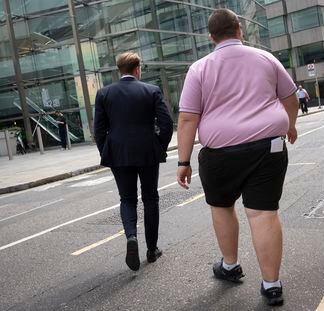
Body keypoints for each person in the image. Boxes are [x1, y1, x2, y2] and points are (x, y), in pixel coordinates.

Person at [176, 9, 298, 306]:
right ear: (239, 29)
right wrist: (291, 125)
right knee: (263, 213)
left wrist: (183, 161)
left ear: (211, 37)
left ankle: (230, 265)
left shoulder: (199, 68)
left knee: (221, 206)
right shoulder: (266, 58)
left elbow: (187, 119)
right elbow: (291, 97)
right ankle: (272, 285)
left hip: (219, 155)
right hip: (267, 148)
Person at [94, 52, 173, 271]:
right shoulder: (151, 90)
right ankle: (152, 249)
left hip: (119, 153)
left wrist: (107, 151)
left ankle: (131, 237)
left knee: (127, 199)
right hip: (147, 151)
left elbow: (98, 130)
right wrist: (159, 146)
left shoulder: (104, 94)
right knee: (150, 199)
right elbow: (166, 124)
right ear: (137, 69)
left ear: (120, 70)